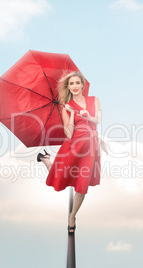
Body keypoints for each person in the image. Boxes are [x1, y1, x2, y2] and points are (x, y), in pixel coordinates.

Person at [37, 71, 101, 233]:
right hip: (73, 145)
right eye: (71, 84)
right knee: (60, 176)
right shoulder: (66, 106)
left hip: (90, 147)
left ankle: (72, 216)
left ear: (83, 85)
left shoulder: (94, 100)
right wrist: (72, 114)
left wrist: (85, 115)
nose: (74, 86)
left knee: (82, 185)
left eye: (77, 83)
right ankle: (45, 160)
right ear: (68, 86)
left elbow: (98, 121)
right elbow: (69, 133)